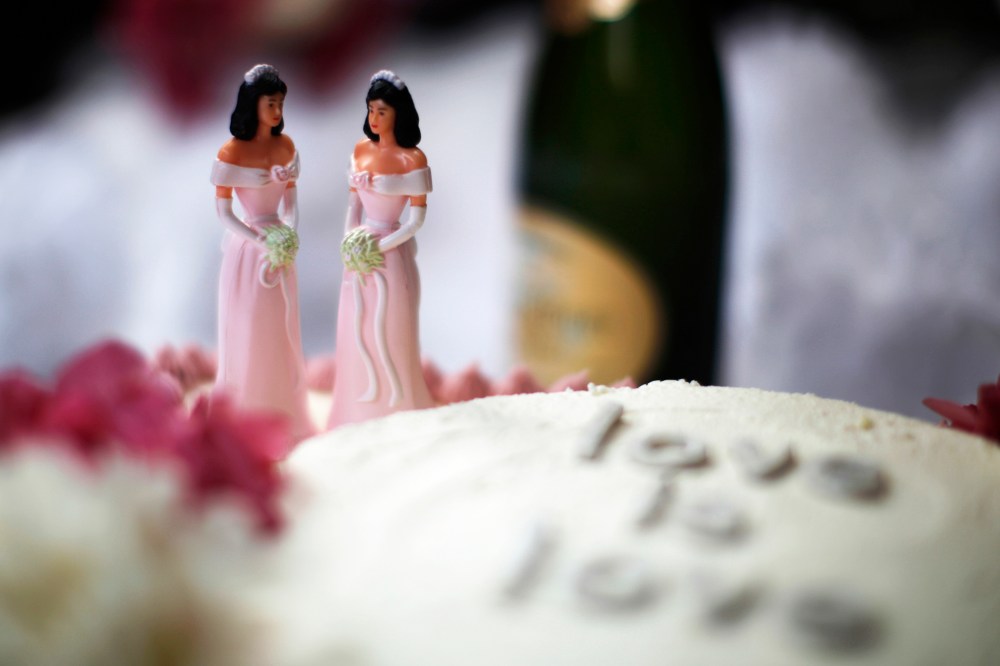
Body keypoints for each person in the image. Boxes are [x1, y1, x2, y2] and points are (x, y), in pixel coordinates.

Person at [210, 64, 313, 441]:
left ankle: (283, 410)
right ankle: (247, 411)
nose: (277, 111)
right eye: (271, 103)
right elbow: (224, 213)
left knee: (280, 331)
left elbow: (291, 204)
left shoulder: (287, 148)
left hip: (281, 251)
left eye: (281, 103)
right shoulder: (231, 152)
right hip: (248, 252)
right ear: (253, 105)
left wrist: (288, 236)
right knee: (249, 329)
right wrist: (260, 241)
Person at [328, 69, 435, 428]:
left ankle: (397, 411)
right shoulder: (359, 151)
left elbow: (415, 221)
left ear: (399, 113)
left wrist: (379, 249)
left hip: (391, 253)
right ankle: (357, 410)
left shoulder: (413, 160)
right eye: (371, 110)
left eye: (383, 111)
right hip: (357, 257)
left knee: (390, 330)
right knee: (354, 330)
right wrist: (350, 242)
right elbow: (353, 206)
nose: (374, 119)